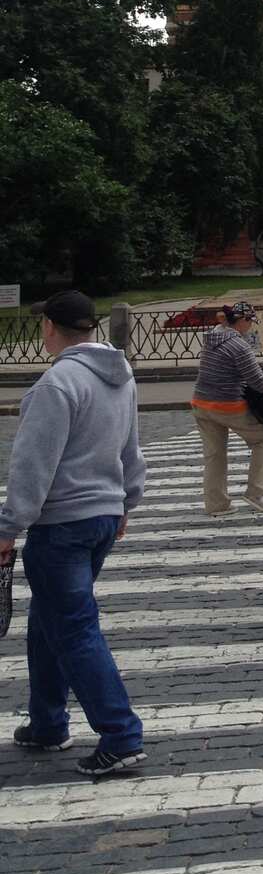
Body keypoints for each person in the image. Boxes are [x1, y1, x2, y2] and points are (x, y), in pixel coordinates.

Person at [0, 290, 146, 778]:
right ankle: (47, 722)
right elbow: (131, 448)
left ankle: (121, 735)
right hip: (103, 516)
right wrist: (127, 500)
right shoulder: (120, 378)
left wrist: (7, 526)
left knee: (74, 627)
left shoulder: (55, 385)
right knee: (49, 620)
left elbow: (32, 466)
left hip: (61, 522)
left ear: (49, 329)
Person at [190, 299, 263, 518]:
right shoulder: (239, 346)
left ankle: (217, 504)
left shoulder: (212, 337)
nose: (252, 326)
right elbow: (258, 381)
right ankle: (257, 493)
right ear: (243, 320)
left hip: (201, 403)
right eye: (251, 322)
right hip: (228, 405)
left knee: (214, 455)